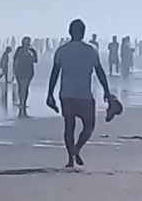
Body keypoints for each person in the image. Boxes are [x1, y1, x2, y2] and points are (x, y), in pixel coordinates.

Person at [46, 19, 111, 168]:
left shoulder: (62, 50)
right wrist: (107, 91)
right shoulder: (91, 50)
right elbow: (100, 72)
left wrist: (50, 94)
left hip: (66, 94)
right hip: (84, 95)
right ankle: (77, 148)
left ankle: (70, 159)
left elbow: (54, 74)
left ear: (70, 32)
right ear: (83, 33)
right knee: (89, 126)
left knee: (69, 127)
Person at [13, 37, 38, 118]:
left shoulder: (32, 50)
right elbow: (16, 60)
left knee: (25, 87)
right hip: (20, 71)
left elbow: (35, 60)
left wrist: (30, 57)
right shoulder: (19, 50)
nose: (26, 44)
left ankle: (24, 103)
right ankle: (21, 102)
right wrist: (14, 71)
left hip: (28, 71)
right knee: (21, 87)